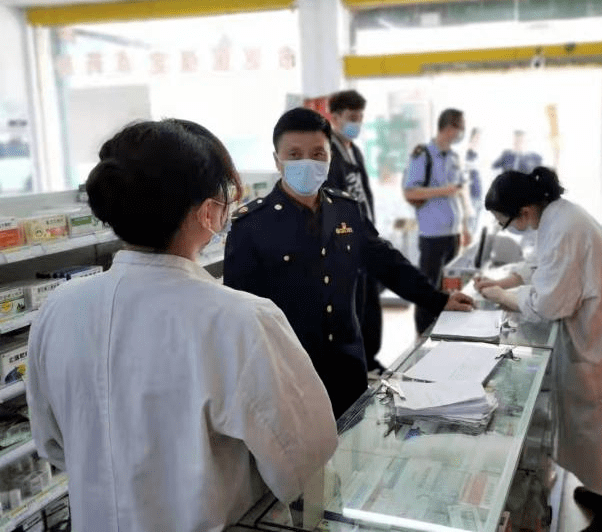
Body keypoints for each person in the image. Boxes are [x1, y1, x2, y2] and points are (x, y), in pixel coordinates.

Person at [26, 119, 338, 532]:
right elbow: (301, 465)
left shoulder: (59, 309)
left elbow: (52, 443)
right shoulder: (242, 319)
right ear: (209, 212)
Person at [224, 108, 474, 418]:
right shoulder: (252, 225)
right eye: (295, 154)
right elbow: (238, 314)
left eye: (317, 154)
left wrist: (438, 299)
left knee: (354, 451)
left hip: (348, 365)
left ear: (330, 157)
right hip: (288, 372)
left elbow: (387, 262)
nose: (307, 163)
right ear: (277, 161)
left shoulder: (346, 210)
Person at [473, 167, 602, 532]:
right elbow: (540, 263)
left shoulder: (564, 225)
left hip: (601, 341)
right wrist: (503, 281)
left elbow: (549, 304)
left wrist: (503, 296)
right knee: (600, 431)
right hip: (598, 333)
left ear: (524, 211)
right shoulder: (556, 216)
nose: (513, 230)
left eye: (508, 223)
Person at [325, 89, 384, 374]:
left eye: (360, 118)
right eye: (351, 118)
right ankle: (358, 365)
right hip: (348, 244)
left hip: (367, 238)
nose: (356, 124)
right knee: (355, 308)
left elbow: (364, 195)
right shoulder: (329, 153)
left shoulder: (354, 150)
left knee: (371, 305)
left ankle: (370, 359)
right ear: (334, 117)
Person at [403, 108, 472, 335]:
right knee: (429, 288)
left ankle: (446, 330)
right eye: (459, 127)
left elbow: (459, 191)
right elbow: (410, 192)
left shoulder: (453, 156)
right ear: (449, 126)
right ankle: (423, 334)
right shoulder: (423, 154)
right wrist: (443, 191)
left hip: (452, 233)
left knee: (451, 284)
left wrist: (464, 226)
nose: (461, 133)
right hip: (432, 235)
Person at [465, 127, 483, 234]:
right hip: (471, 198)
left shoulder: (476, 155)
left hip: (478, 197)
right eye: (476, 138)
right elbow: (464, 179)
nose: (478, 141)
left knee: (475, 231)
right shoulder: (467, 155)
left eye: (479, 139)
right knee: (469, 231)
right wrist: (468, 204)